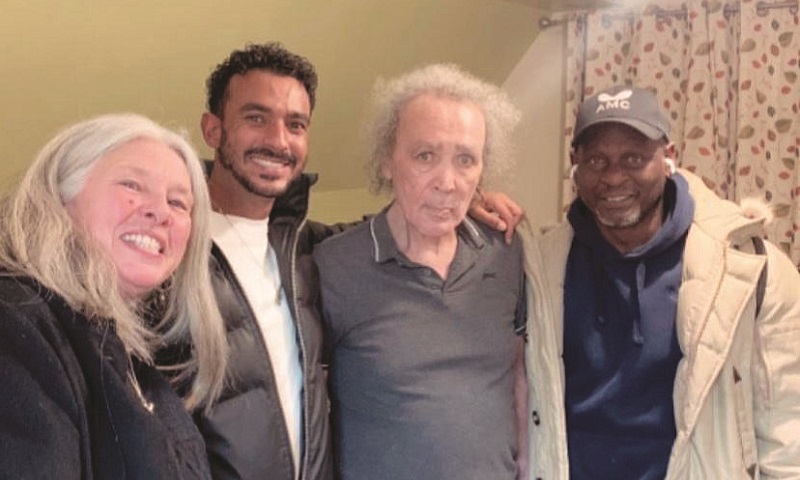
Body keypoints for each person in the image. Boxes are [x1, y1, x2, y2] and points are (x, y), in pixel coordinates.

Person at [183, 43, 524, 480]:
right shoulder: (177, 253)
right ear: (213, 130)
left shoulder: (301, 247)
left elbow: (522, 376)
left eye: (295, 124)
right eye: (256, 118)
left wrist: (466, 200)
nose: (278, 139)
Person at [520, 85, 800, 479]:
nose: (613, 177)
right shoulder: (538, 268)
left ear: (668, 158)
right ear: (575, 164)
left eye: (634, 158)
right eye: (597, 160)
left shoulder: (750, 268)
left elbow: (787, 428)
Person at [314, 64, 527, 480]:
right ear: (387, 161)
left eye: (465, 160)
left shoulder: (505, 251)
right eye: (425, 156)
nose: (447, 182)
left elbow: (518, 374)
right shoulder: (333, 267)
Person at [0, 113, 228, 479]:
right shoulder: (15, 322)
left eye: (178, 202)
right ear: (59, 196)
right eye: (132, 184)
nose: (160, 212)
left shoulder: (136, 361)